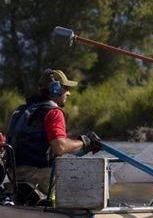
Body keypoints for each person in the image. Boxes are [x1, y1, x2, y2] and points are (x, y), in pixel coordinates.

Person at [6, 69, 100, 203]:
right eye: (66, 88)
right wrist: (85, 141)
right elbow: (59, 147)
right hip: (38, 177)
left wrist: (83, 147)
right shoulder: (53, 113)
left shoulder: (20, 110)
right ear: (55, 89)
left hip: (13, 176)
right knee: (87, 176)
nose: (69, 93)